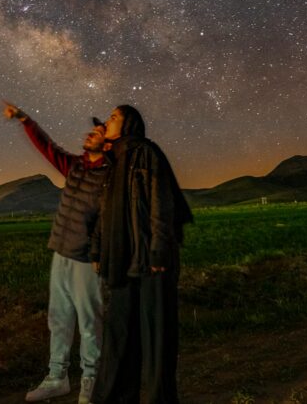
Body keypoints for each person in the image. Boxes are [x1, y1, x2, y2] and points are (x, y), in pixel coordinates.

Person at [3, 102, 109, 404]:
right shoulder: (75, 165)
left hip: (87, 259)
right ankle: (56, 378)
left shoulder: (110, 176)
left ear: (109, 142)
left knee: (89, 322)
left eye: (98, 132)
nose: (90, 133)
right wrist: (25, 118)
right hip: (60, 253)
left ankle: (91, 380)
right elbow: (47, 147)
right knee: (59, 319)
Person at [90, 105, 193, 404]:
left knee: (157, 337)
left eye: (113, 117)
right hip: (121, 260)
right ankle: (117, 397)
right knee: (119, 335)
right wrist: (98, 248)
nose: (107, 121)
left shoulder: (146, 153)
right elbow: (104, 211)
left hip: (150, 261)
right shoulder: (112, 161)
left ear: (128, 123)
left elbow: (162, 202)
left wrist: (160, 251)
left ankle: (160, 398)